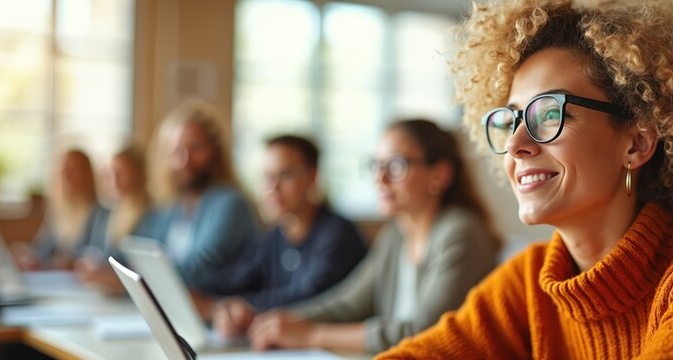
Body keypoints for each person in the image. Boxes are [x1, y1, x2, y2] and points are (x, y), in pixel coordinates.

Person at [378, 1, 673, 358]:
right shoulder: (527, 284)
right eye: (513, 119)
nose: (516, 143)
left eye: (549, 113)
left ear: (637, 143)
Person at [243, 119, 501, 354]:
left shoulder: (461, 233)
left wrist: (312, 334)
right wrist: (274, 320)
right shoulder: (395, 236)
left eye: (396, 165)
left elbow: (424, 332)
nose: (380, 178)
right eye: (377, 165)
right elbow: (346, 304)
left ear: (439, 174)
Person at [207, 135, 367, 333]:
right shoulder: (275, 236)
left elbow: (309, 296)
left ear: (312, 176)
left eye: (285, 175)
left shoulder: (337, 235)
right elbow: (235, 280)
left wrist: (236, 308)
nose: (273, 188)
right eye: (267, 176)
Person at [145, 99, 259, 288]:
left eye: (195, 148)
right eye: (176, 152)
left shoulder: (231, 203)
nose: (185, 161)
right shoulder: (174, 206)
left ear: (216, 151)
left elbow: (200, 269)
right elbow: (147, 252)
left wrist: (142, 277)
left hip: (218, 309)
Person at [74, 144, 157, 294]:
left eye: (120, 173)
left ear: (138, 174)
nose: (114, 180)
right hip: (103, 294)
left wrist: (108, 277)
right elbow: (94, 252)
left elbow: (145, 273)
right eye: (110, 174)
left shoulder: (152, 216)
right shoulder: (107, 213)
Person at [14, 149, 109, 270]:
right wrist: (29, 255)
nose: (66, 175)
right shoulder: (57, 212)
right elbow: (42, 249)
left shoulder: (100, 215)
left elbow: (96, 257)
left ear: (87, 175)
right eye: (63, 170)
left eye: (73, 170)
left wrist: (69, 263)